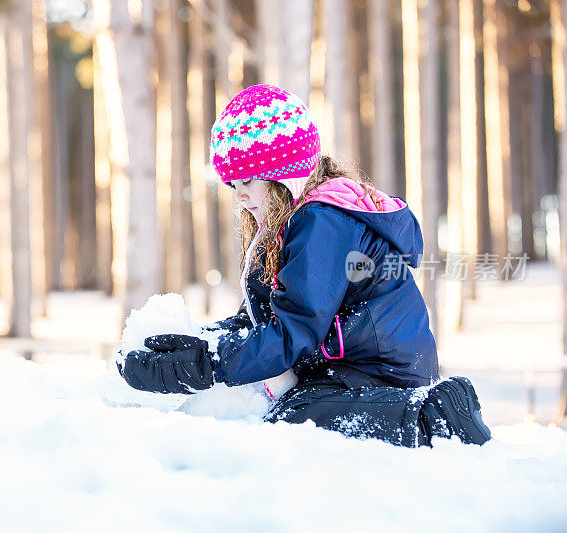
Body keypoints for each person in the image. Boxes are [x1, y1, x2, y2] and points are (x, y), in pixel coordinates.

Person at [118, 84, 491, 448]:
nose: (240, 194)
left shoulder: (322, 223)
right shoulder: (290, 223)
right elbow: (262, 320)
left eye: (248, 179)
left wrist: (205, 365)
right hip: (341, 366)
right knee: (283, 407)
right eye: (233, 183)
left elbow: (293, 333)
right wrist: (194, 343)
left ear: (284, 173)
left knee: (295, 417)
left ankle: (434, 417)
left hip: (381, 375)